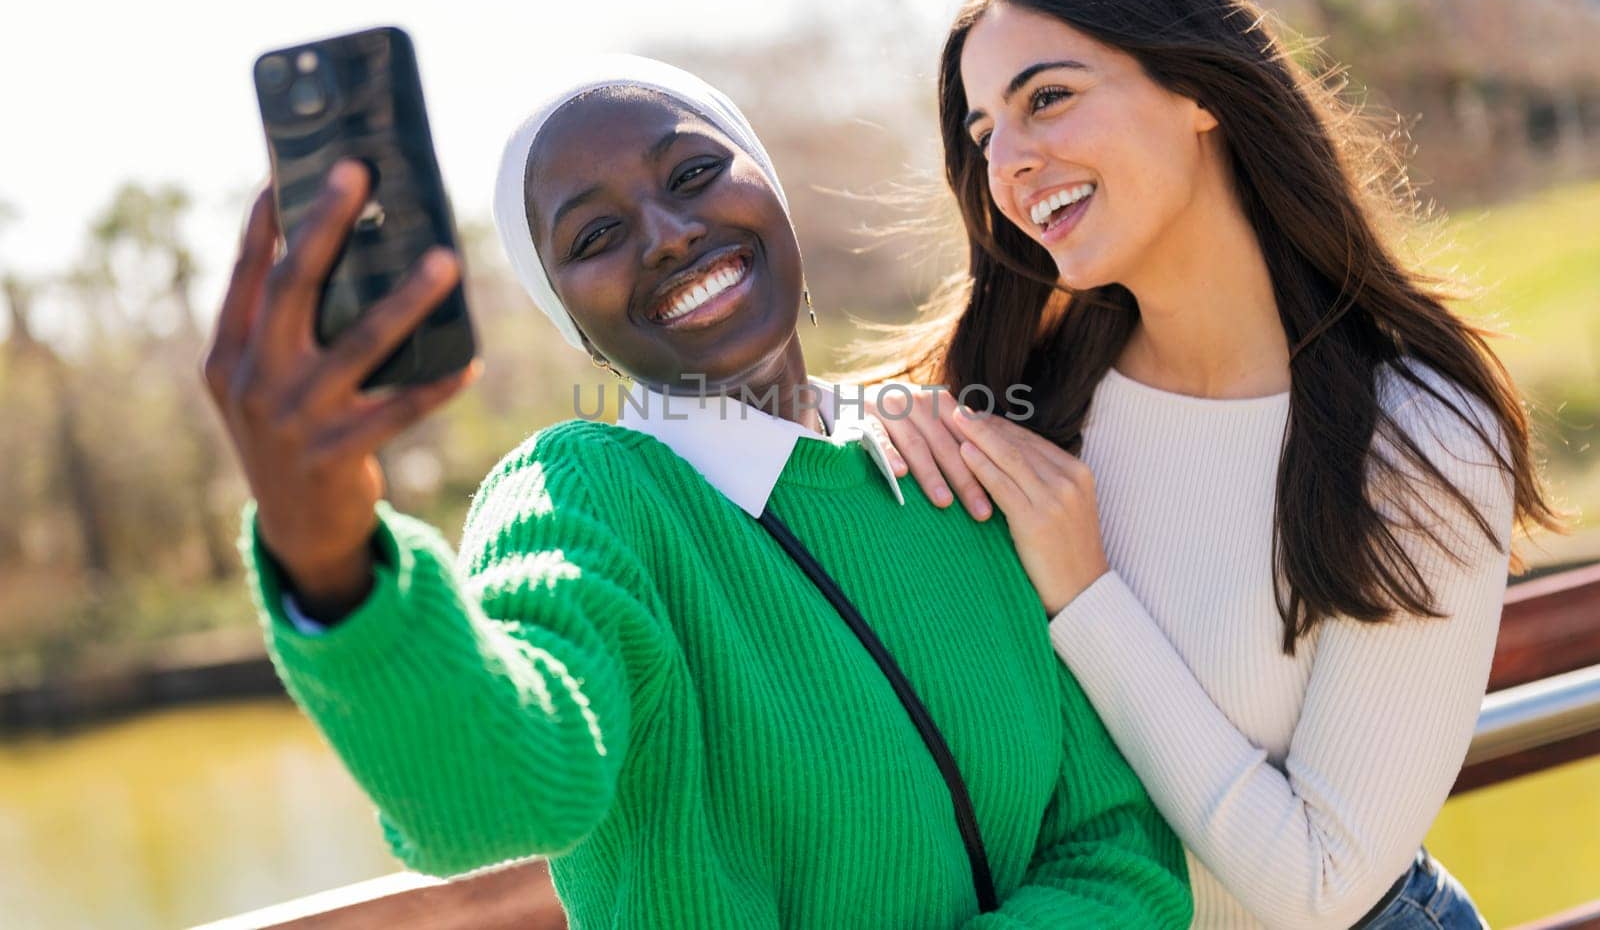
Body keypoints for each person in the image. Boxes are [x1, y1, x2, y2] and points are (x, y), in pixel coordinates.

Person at [201, 55, 1191, 928]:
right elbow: (499, 793)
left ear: (770, 191)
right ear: (573, 326)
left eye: (692, 173)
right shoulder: (587, 498)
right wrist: (325, 554)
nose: (668, 233)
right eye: (592, 236)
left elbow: (1120, 856)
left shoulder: (945, 461)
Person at [867, 0, 1562, 930]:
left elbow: (1318, 886)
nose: (1007, 163)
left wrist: (1086, 592)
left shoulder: (1416, 436)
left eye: (1047, 98)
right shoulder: (1021, 402)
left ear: (1200, 91)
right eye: (982, 136)